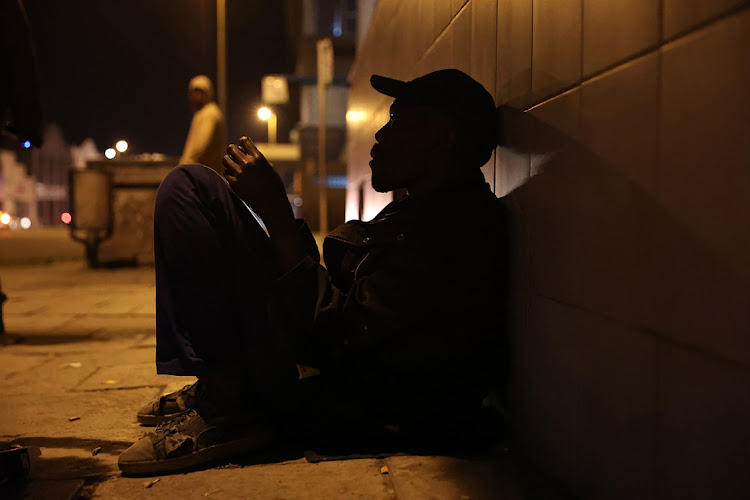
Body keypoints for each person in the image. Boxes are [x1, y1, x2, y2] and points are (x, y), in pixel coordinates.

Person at [118, 69, 509, 475]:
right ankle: (224, 380)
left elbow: (342, 332)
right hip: (319, 360)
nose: (380, 135)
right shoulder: (422, 209)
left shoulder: (455, 230)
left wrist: (276, 213)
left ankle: (230, 405)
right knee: (198, 190)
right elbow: (334, 301)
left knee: (188, 188)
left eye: (397, 120)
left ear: (444, 139)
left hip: (342, 396)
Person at [179, 75, 226, 174]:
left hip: (206, 174)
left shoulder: (210, 114)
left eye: (201, 92)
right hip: (201, 172)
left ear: (208, 93)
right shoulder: (201, 113)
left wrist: (184, 167)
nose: (197, 96)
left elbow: (200, 146)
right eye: (194, 92)